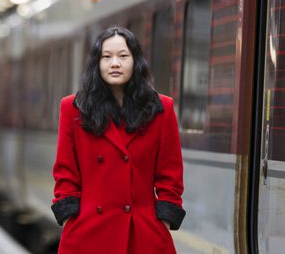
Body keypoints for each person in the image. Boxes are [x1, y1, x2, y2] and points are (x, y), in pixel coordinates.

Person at [51, 27, 185, 253]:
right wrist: (69, 218)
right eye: (107, 57)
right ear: (97, 63)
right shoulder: (73, 108)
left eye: (123, 56)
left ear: (136, 61)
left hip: (142, 233)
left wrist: (165, 220)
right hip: (88, 232)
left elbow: (170, 174)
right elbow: (66, 172)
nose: (115, 63)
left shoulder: (161, 108)